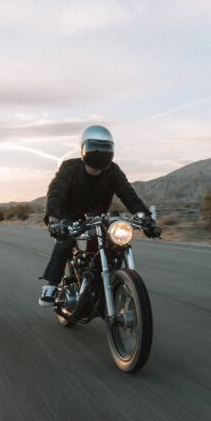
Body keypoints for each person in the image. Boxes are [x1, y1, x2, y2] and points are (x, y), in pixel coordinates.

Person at [39, 125, 160, 306]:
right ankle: (52, 285)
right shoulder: (70, 168)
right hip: (69, 214)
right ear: (83, 150)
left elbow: (129, 195)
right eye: (95, 149)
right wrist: (54, 221)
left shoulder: (113, 171)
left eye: (104, 149)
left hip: (98, 216)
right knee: (67, 239)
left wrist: (146, 219)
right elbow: (56, 192)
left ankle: (109, 283)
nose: (99, 154)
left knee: (115, 243)